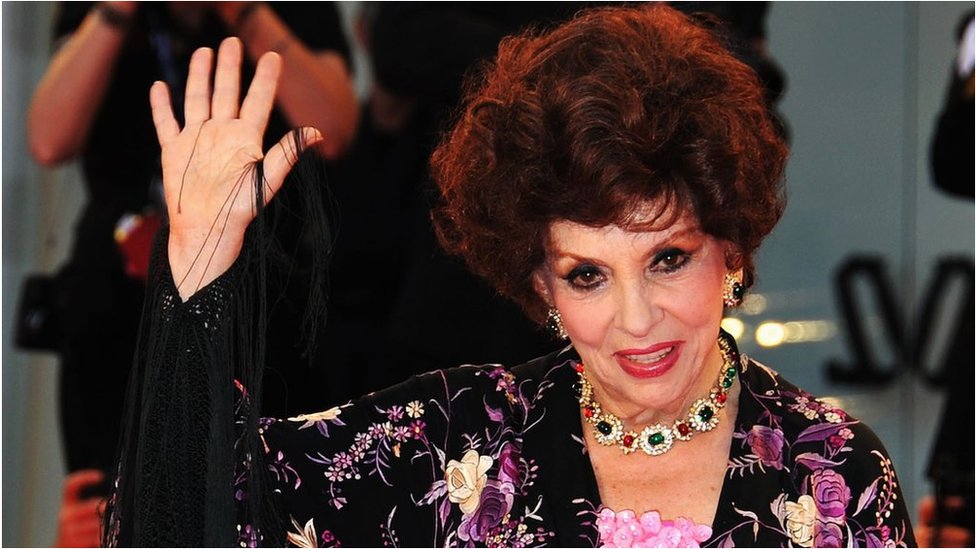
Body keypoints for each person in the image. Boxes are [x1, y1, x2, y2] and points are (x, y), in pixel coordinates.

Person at [104, 6, 916, 547]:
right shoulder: (456, 440)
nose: (637, 320)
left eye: (667, 259)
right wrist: (200, 265)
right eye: (588, 275)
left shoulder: (836, 469)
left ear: (731, 252)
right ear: (542, 288)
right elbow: (205, 511)